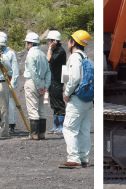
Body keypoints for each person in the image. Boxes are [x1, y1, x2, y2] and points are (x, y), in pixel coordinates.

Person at [59, 30, 94, 169]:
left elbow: (73, 78)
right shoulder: (88, 58)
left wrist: (66, 93)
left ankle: (74, 159)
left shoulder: (74, 57)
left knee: (69, 128)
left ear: (73, 42)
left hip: (77, 98)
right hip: (88, 99)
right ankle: (84, 158)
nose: (67, 43)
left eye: (68, 41)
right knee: (84, 130)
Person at [21, 32, 52, 141]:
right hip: (43, 81)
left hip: (33, 83)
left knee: (33, 108)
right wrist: (46, 86)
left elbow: (33, 71)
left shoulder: (30, 54)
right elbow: (48, 71)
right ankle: (42, 133)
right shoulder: (43, 54)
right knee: (41, 108)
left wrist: (38, 85)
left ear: (29, 44)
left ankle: (33, 134)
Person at [0, 32, 20, 135]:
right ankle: (0, 125)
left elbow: (14, 70)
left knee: (10, 105)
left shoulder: (10, 54)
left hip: (7, 82)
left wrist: (13, 83)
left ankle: (11, 125)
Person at [46, 30, 67, 134]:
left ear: (54, 41)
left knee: (59, 102)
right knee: (53, 103)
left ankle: (62, 126)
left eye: (48, 41)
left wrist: (50, 48)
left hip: (57, 80)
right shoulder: (54, 50)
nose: (47, 43)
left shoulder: (60, 51)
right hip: (52, 80)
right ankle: (56, 125)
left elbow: (48, 60)